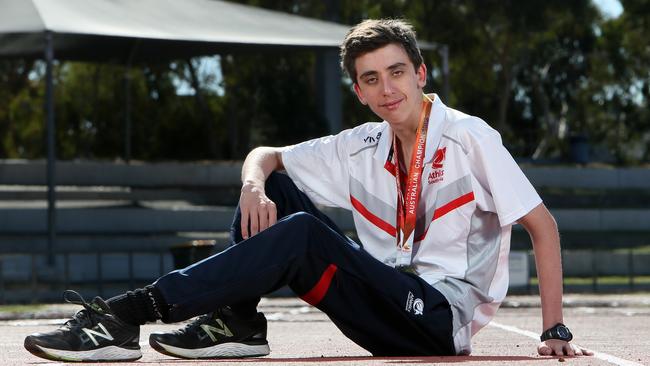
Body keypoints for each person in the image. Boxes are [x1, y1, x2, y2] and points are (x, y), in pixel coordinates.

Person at [24, 18, 593, 362]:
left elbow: (542, 226)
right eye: (371, 78)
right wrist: (252, 184)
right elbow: (265, 156)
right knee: (274, 185)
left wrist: (554, 327)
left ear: (420, 74)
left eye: (397, 72)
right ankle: (239, 322)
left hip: (435, 317)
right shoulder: (362, 145)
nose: (387, 87)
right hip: (380, 295)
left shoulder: (471, 137)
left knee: (299, 233)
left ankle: (128, 314)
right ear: (360, 92)